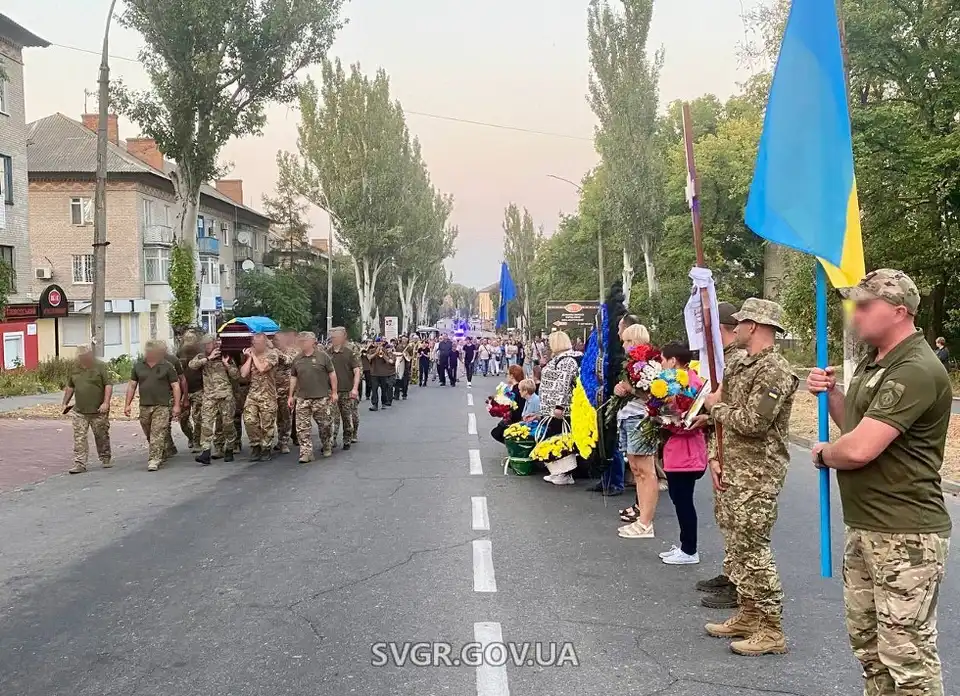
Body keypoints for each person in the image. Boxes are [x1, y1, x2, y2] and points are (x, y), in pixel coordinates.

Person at [807, 269, 952, 694]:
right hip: (868, 526)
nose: (856, 314)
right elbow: (856, 428)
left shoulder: (915, 369)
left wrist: (822, 453)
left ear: (898, 311)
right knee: (870, 648)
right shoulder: (877, 362)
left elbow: (856, 450)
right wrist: (832, 395)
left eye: (865, 306)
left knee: (907, 658)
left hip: (905, 533)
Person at [703, 298, 797, 657]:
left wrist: (716, 407)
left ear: (755, 326)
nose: (735, 327)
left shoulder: (774, 370)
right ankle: (748, 613)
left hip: (757, 475)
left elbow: (754, 423)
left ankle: (772, 629)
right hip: (731, 469)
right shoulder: (739, 363)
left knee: (754, 551)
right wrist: (714, 455)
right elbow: (721, 421)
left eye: (740, 322)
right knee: (736, 548)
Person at [697, 301, 747, 610]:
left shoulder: (736, 361)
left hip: (744, 458)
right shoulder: (719, 360)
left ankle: (739, 582)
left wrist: (711, 409)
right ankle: (731, 573)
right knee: (727, 520)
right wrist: (714, 455)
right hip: (725, 451)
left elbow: (738, 414)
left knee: (741, 526)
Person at [657, 343, 708, 566]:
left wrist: (666, 421)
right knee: (679, 499)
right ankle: (685, 545)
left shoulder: (689, 383)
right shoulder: (675, 382)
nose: (660, 365)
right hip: (678, 451)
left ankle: (690, 549)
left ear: (673, 361)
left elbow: (688, 419)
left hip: (687, 452)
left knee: (683, 500)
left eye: (662, 360)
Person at [615, 324, 662, 539]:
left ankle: (646, 522)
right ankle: (641, 517)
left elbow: (652, 396)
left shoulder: (650, 365)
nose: (623, 345)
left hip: (641, 418)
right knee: (636, 469)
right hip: (628, 416)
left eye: (626, 341)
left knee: (646, 471)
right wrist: (621, 390)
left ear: (635, 342)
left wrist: (630, 388)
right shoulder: (631, 365)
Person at [124, 340, 181, 472]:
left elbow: (175, 386)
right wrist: (127, 404)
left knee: (157, 432)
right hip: (144, 405)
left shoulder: (167, 366)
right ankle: (163, 450)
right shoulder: (138, 366)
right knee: (149, 432)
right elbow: (132, 385)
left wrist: (176, 405)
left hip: (161, 405)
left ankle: (154, 459)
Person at [538, 331, 583, 485]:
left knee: (561, 439)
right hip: (551, 406)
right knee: (555, 438)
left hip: (560, 408)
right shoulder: (559, 359)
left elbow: (563, 385)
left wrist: (559, 406)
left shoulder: (567, 360)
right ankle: (557, 470)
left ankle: (564, 473)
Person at [190, 334, 240, 466]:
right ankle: (205, 452)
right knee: (206, 424)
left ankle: (229, 447)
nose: (206, 346)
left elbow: (236, 375)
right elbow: (192, 365)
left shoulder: (225, 356)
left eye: (209, 344)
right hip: (209, 396)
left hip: (225, 395)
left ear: (215, 344)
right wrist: (207, 358)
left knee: (227, 424)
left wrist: (226, 364)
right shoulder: (202, 357)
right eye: (205, 345)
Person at [289, 331, 338, 462]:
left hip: (321, 397)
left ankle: (327, 444)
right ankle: (306, 452)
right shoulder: (297, 359)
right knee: (302, 427)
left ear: (312, 342)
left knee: (325, 425)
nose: (302, 344)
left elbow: (332, 374)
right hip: (302, 398)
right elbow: (293, 377)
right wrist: (291, 395)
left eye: (304, 341)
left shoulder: (323, 357)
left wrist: (334, 392)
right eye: (301, 341)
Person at [65, 345, 113, 474]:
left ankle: (105, 457)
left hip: (98, 410)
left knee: (101, 434)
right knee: (79, 437)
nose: (83, 359)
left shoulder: (100, 366)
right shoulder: (75, 368)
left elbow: (108, 385)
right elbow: (70, 386)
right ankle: (80, 463)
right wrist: (65, 402)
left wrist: (106, 402)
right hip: (80, 410)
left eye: (85, 356)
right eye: (81, 357)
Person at [240, 332, 280, 462]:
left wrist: (254, 356)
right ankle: (255, 445)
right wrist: (250, 357)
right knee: (249, 420)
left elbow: (263, 368)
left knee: (267, 424)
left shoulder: (273, 354)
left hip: (268, 394)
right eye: (254, 344)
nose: (255, 346)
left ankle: (266, 447)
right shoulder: (251, 355)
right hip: (253, 394)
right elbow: (244, 374)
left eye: (258, 344)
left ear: (264, 342)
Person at [328, 327, 361, 449]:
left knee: (347, 416)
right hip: (332, 391)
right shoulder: (327, 353)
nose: (333, 340)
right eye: (332, 337)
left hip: (347, 390)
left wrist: (355, 388)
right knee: (332, 417)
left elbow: (357, 370)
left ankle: (348, 438)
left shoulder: (349, 352)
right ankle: (332, 440)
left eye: (336, 337)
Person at [178, 331, 204, 453]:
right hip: (183, 392)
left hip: (198, 389)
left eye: (191, 339)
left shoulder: (200, 354)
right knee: (183, 418)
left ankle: (197, 441)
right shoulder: (179, 354)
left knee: (198, 418)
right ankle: (191, 436)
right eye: (187, 339)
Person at [272, 329, 298, 454]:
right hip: (273, 389)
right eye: (273, 340)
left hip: (287, 389)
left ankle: (285, 442)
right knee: (278, 417)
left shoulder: (291, 351)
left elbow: (290, 361)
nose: (275, 342)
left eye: (277, 340)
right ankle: (280, 439)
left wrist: (278, 353)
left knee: (287, 416)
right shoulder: (271, 352)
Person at [490, 365, 527, 443]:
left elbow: (516, 406)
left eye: (507, 374)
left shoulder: (517, 389)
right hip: (513, 416)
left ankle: (513, 445)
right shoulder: (516, 387)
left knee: (497, 433)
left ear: (512, 376)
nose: (506, 376)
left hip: (515, 418)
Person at [368, 341, 395, 411]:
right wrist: (376, 353)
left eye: (380, 343)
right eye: (377, 343)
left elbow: (390, 361)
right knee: (374, 389)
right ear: (374, 344)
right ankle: (375, 404)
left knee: (384, 389)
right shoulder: (371, 350)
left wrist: (383, 355)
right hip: (374, 373)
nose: (378, 345)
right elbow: (369, 358)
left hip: (384, 373)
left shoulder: (386, 351)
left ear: (382, 344)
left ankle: (383, 403)